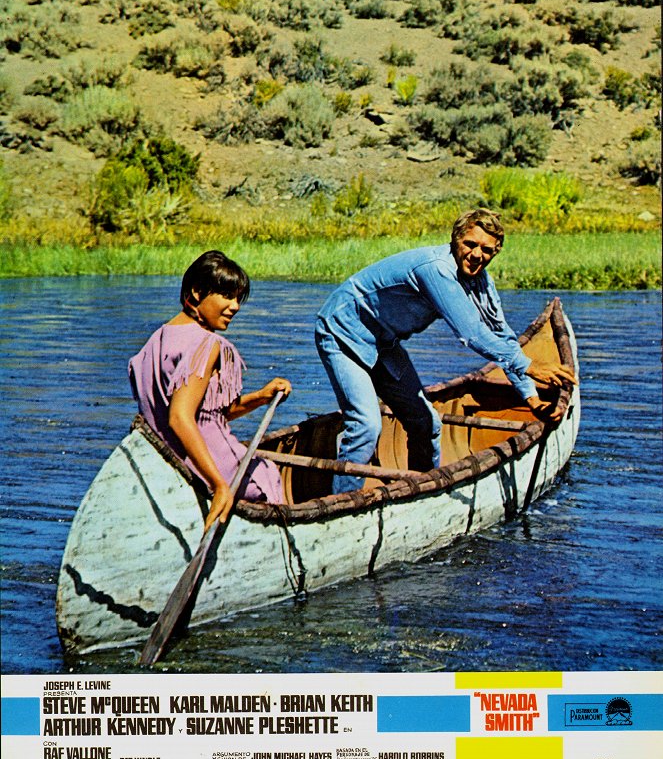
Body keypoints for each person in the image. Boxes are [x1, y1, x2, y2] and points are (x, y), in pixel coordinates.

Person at [315, 208, 577, 493]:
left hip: (384, 343)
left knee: (427, 423)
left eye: (487, 250)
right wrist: (528, 365)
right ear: (456, 240)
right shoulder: (437, 269)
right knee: (366, 425)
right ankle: (341, 501)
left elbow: (501, 335)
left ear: (496, 252)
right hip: (342, 332)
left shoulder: (480, 280)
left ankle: (420, 491)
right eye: (470, 245)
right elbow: (472, 333)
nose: (477, 254)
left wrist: (530, 396)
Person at [129, 250, 291, 531]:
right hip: (217, 470)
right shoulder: (206, 344)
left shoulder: (153, 345)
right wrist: (219, 486)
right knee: (267, 473)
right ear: (197, 291)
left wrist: (261, 397)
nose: (235, 306)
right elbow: (180, 418)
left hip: (174, 470)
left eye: (238, 298)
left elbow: (207, 416)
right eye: (227, 296)